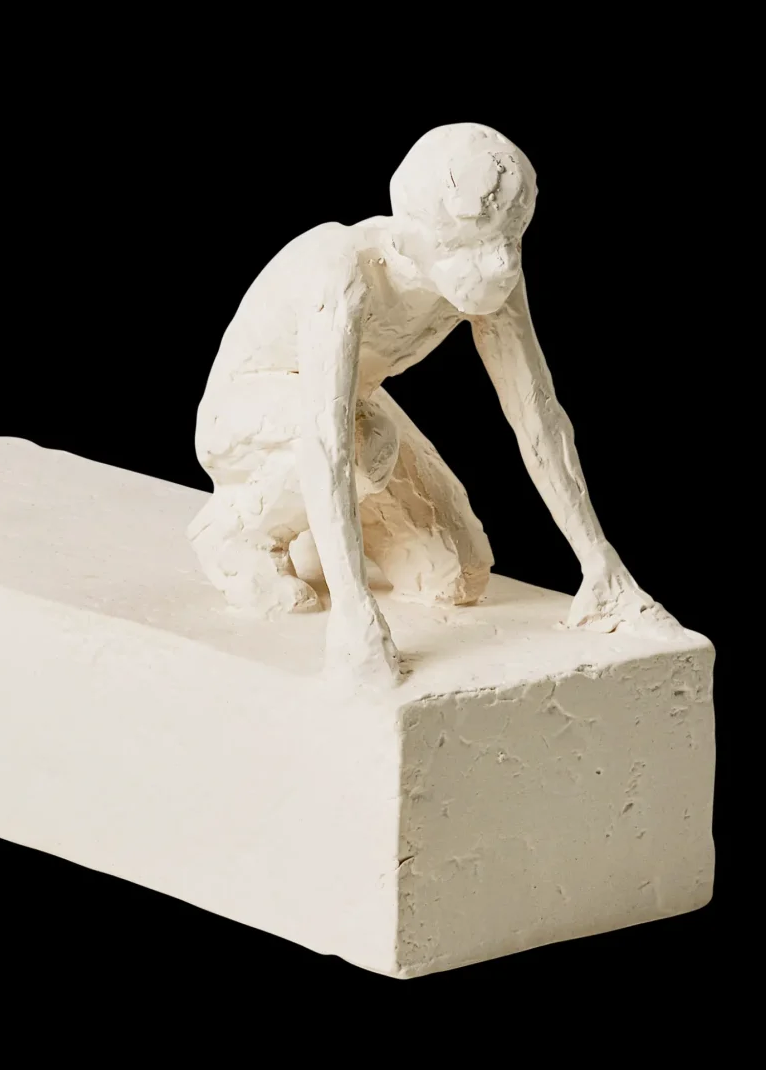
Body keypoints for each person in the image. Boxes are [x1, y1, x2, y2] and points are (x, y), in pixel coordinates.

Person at [188, 120, 672, 685]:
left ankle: (324, 533)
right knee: (368, 441)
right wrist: (353, 612)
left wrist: (598, 561)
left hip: (350, 415)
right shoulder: (342, 268)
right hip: (245, 415)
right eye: (476, 243)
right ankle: (237, 537)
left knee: (456, 576)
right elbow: (325, 432)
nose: (501, 264)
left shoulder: (489, 279)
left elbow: (537, 412)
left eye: (511, 238)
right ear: (416, 232)